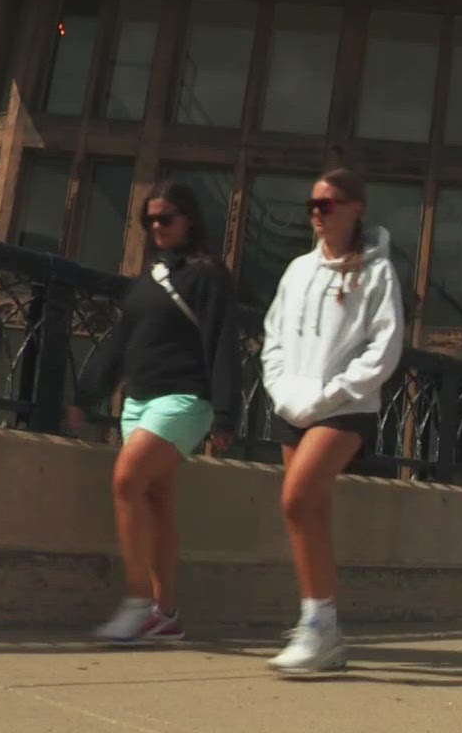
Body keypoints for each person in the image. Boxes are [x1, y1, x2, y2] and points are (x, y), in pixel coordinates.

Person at [70, 180, 241, 645]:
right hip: (139, 401)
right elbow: (120, 344)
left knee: (127, 481)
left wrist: (226, 415)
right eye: (150, 220)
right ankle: (165, 613)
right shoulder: (148, 277)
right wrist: (86, 396)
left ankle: (136, 602)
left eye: (165, 217)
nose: (157, 227)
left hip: (184, 399)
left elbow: (223, 344)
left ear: (189, 219)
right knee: (156, 500)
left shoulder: (208, 275)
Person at [259, 168, 405, 674]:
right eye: (312, 205)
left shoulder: (377, 273)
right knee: (307, 514)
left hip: (345, 408)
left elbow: (384, 350)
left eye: (328, 204)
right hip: (292, 406)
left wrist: (330, 394)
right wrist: (283, 391)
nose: (318, 213)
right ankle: (323, 629)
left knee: (296, 497)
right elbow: (273, 336)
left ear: (355, 207)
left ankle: (318, 627)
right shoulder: (297, 270)